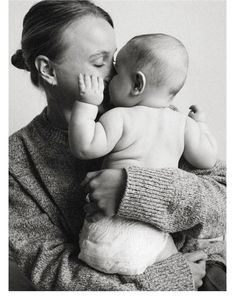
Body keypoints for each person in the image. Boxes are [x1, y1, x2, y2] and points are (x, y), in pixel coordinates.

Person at [9, 0, 226, 291]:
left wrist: (133, 189)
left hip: (207, 273)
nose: (112, 73)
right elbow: (52, 273)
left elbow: (222, 201)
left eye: (113, 61)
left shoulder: (144, 110)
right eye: (99, 63)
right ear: (47, 70)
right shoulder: (14, 162)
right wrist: (169, 277)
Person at [69, 33, 220, 276]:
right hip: (155, 241)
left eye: (117, 72)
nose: (109, 78)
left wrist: (86, 104)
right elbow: (208, 160)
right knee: (181, 262)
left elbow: (84, 147)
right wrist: (200, 125)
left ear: (137, 84)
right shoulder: (183, 125)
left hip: (107, 232)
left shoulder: (119, 117)